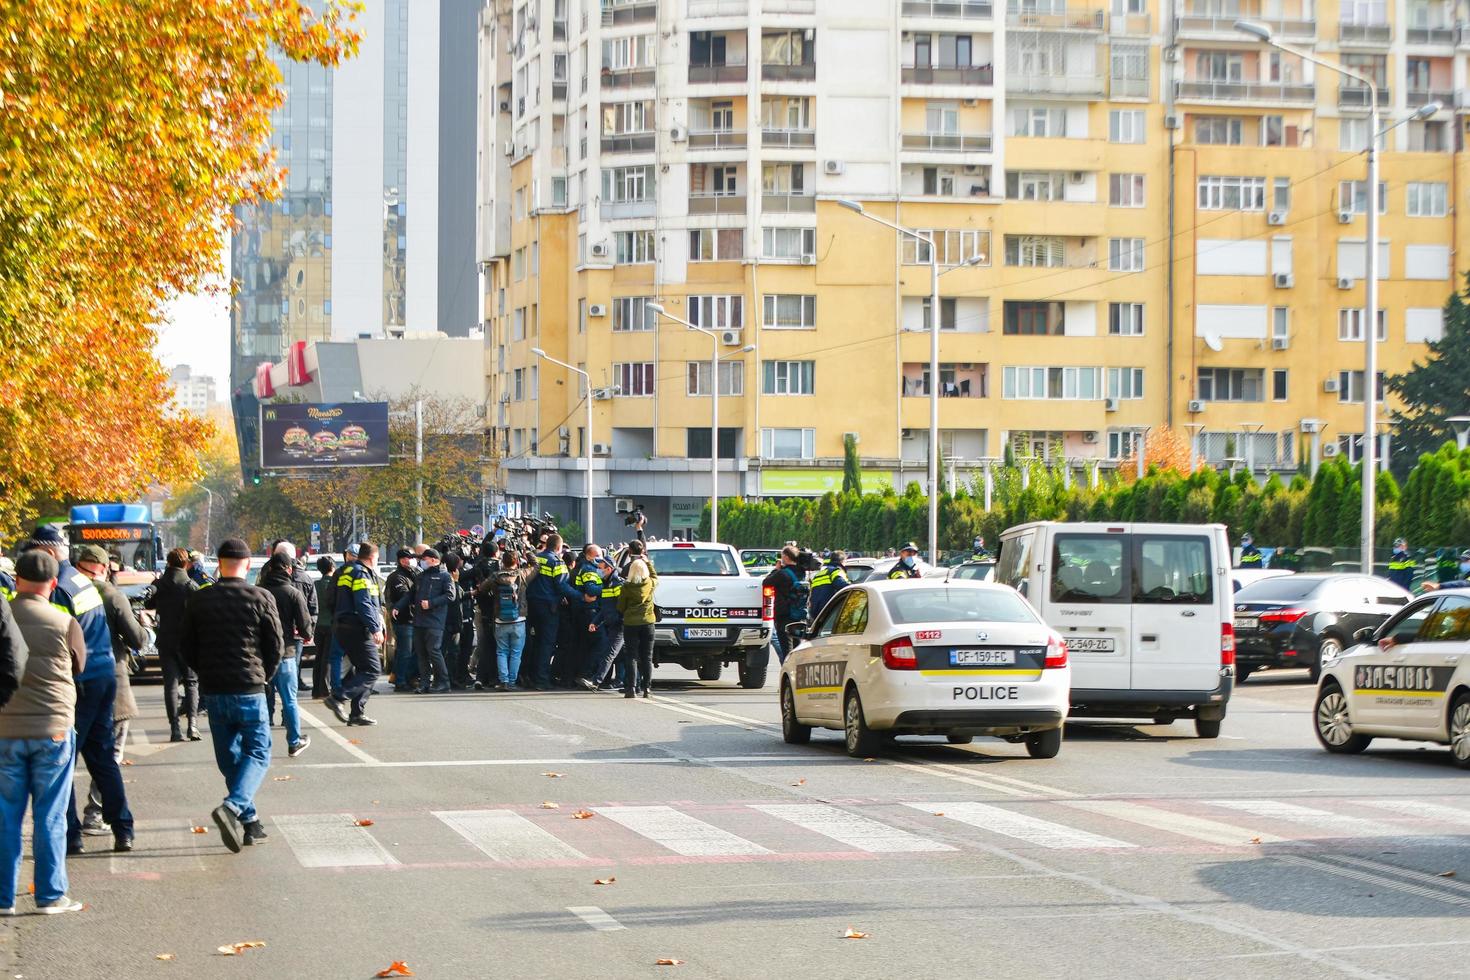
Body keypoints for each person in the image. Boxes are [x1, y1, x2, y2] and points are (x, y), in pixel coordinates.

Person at [25, 527, 134, 857]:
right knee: (102, 758)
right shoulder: (82, 581)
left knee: (63, 760)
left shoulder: (57, 590)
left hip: (79, 682)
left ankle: (71, 836)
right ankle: (123, 829)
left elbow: (56, 643)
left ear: (46, 552)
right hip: (104, 677)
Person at [180, 538, 283, 853]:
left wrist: (204, 672)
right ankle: (234, 806)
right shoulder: (260, 597)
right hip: (249, 687)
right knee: (259, 753)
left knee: (230, 760)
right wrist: (264, 675)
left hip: (214, 690)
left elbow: (186, 646)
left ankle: (251, 823)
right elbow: (275, 645)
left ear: (218, 564)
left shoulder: (199, 600)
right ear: (248, 565)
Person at [1, 550, 86, 914]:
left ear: (15, 580)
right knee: (50, 814)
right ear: (53, 584)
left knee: (6, 815)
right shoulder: (64, 621)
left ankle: (3, 897)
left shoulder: (3, 617)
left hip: (5, 728)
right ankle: (50, 895)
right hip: (53, 729)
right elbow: (80, 666)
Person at [72, 546, 146, 845]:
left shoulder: (63, 592)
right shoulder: (111, 595)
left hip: (72, 686)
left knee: (66, 761)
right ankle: (106, 820)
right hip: (111, 684)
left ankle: (70, 833)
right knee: (108, 758)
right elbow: (137, 638)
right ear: (103, 568)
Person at [260, 553, 312, 758]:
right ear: (289, 569)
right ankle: (294, 741)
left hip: (262, 654)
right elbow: (305, 626)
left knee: (262, 699)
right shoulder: (292, 593)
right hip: (286, 652)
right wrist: (306, 634)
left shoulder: (260, 592)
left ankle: (261, 743)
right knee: (289, 700)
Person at [146, 548, 200, 742]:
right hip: (187, 640)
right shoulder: (190, 586)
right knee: (191, 683)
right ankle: (192, 726)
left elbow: (149, 605)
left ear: (168, 563)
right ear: (186, 564)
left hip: (166, 640)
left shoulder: (159, 584)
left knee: (170, 685)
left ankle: (175, 729)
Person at [332, 542, 384, 725]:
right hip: (357, 627)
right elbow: (364, 603)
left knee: (362, 669)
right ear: (372, 557)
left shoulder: (345, 571)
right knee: (372, 669)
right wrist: (375, 627)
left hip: (343, 626)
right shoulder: (362, 573)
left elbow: (332, 598)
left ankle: (357, 713)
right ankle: (339, 696)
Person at [525, 534, 583, 691]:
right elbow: (562, 585)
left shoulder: (536, 557)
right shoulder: (557, 562)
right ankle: (541, 680)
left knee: (533, 642)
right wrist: (581, 596)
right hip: (548, 606)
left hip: (531, 604)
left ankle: (528, 675)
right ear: (559, 547)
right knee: (546, 643)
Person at [481, 551, 536, 690]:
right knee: (516, 652)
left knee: (502, 651)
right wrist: (528, 552)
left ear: (502, 562)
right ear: (516, 561)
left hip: (500, 619)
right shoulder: (522, 574)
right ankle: (512, 682)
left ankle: (503, 681)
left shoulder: (495, 576)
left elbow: (482, 588)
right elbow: (536, 566)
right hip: (518, 619)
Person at [401, 548, 452, 694]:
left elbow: (450, 595)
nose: (422, 562)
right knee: (421, 653)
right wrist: (398, 607)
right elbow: (410, 595)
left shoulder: (444, 576)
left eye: (425, 559)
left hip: (435, 621)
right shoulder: (421, 577)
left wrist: (431, 603)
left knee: (434, 651)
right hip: (419, 620)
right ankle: (424, 683)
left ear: (434, 560)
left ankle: (443, 681)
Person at [616, 555, 657, 698]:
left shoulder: (626, 587)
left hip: (631, 624)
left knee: (631, 656)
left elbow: (620, 606)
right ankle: (647, 689)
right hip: (647, 623)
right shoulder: (650, 583)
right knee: (647, 657)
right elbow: (655, 576)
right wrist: (647, 562)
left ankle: (631, 688)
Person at [762, 546, 810, 664]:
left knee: (787, 651)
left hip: (784, 616)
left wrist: (776, 569)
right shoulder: (803, 573)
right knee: (797, 649)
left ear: (786, 557)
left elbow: (766, 582)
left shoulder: (782, 574)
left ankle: (787, 676)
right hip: (800, 616)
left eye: (782, 555)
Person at [383, 549, 418, 692]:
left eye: (410, 558)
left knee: (408, 652)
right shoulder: (396, 577)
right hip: (404, 619)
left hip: (413, 618)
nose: (408, 561)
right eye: (405, 558)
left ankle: (405, 677)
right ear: (400, 560)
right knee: (405, 652)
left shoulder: (413, 574)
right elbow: (406, 595)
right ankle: (401, 681)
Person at [310, 556, 337, 699]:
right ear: (332, 567)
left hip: (318, 625)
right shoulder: (335, 584)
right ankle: (325, 689)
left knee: (319, 657)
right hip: (332, 625)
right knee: (328, 659)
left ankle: (316, 689)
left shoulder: (315, 585)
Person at [809, 551, 850, 622]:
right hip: (830, 612)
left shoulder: (818, 575)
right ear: (843, 561)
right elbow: (844, 587)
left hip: (816, 613)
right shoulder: (836, 571)